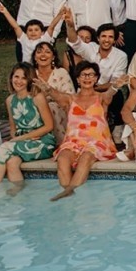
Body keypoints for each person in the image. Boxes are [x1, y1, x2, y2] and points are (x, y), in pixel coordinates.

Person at [49, 61, 119, 201]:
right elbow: (55, 94)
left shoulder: (102, 98)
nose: (87, 78)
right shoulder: (70, 99)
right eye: (83, 75)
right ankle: (69, 194)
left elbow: (111, 91)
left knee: (86, 157)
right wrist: (46, 88)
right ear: (77, 79)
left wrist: (116, 85)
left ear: (96, 78)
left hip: (97, 142)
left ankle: (69, 193)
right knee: (62, 159)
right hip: (73, 142)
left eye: (91, 75)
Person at [0, 63, 56, 192]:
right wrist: (16, 138)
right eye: (16, 76)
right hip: (22, 142)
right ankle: (18, 195)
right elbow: (13, 128)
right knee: (12, 163)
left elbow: (49, 126)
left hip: (42, 141)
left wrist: (19, 140)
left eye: (23, 78)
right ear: (11, 78)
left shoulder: (37, 97)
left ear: (29, 80)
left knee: (4, 148)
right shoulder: (10, 100)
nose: (18, 81)